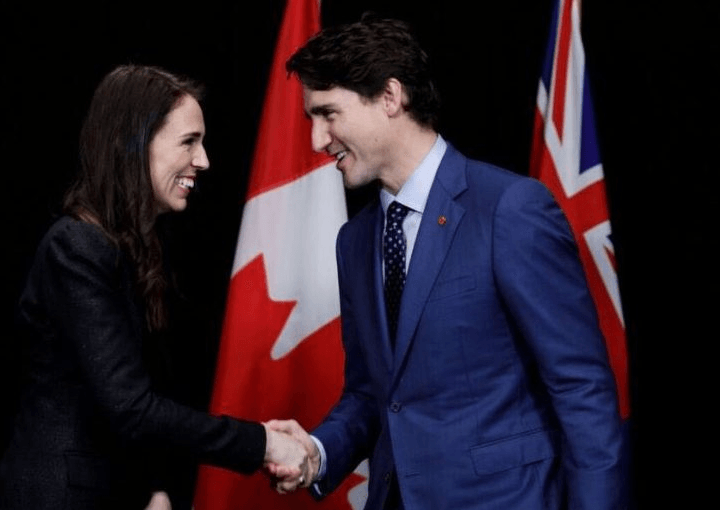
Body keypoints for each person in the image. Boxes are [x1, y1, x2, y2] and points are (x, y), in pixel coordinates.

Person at [267, 16, 626, 510]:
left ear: (390, 97)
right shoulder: (354, 241)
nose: (316, 139)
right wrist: (317, 451)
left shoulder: (510, 209)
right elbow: (374, 394)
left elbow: (581, 387)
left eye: (328, 113)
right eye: (312, 118)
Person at [0, 65, 306, 510]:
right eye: (188, 141)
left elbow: (121, 400)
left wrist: (150, 485)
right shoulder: (75, 247)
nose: (204, 160)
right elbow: (130, 408)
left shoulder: (131, 246)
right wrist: (264, 444)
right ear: (134, 145)